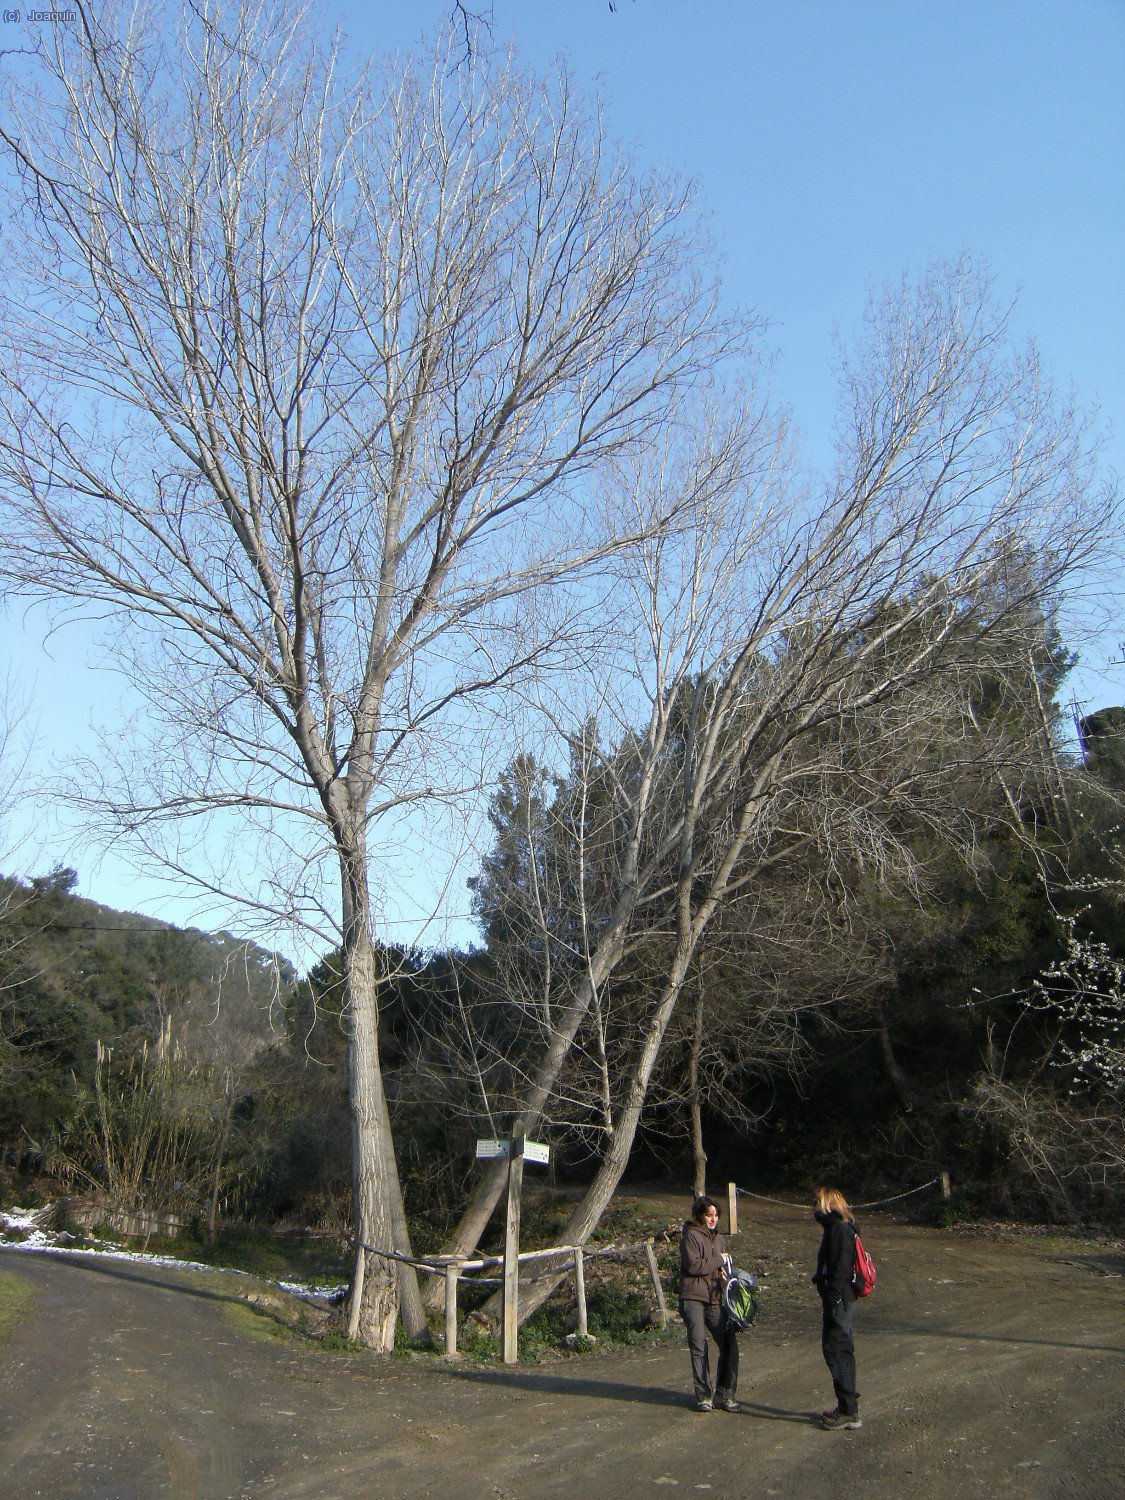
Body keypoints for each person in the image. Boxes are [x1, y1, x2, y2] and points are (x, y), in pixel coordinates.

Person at [678, 1194, 740, 1412]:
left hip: (714, 1298)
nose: (713, 1219)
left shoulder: (720, 1239)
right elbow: (694, 1266)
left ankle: (725, 1394)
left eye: (716, 1215)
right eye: (709, 1215)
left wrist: (724, 1279)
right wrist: (719, 1260)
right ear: (699, 1215)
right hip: (692, 1297)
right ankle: (704, 1396)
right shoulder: (690, 1237)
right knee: (698, 1345)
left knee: (729, 1343)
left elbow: (716, 1268)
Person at [812, 1185, 862, 1430]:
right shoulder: (836, 1228)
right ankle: (848, 1405)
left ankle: (848, 1408)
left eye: (817, 1204)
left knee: (836, 1349)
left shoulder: (839, 1230)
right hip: (839, 1296)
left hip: (839, 1298)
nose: (814, 1209)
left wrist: (830, 1292)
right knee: (839, 1348)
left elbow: (840, 1268)